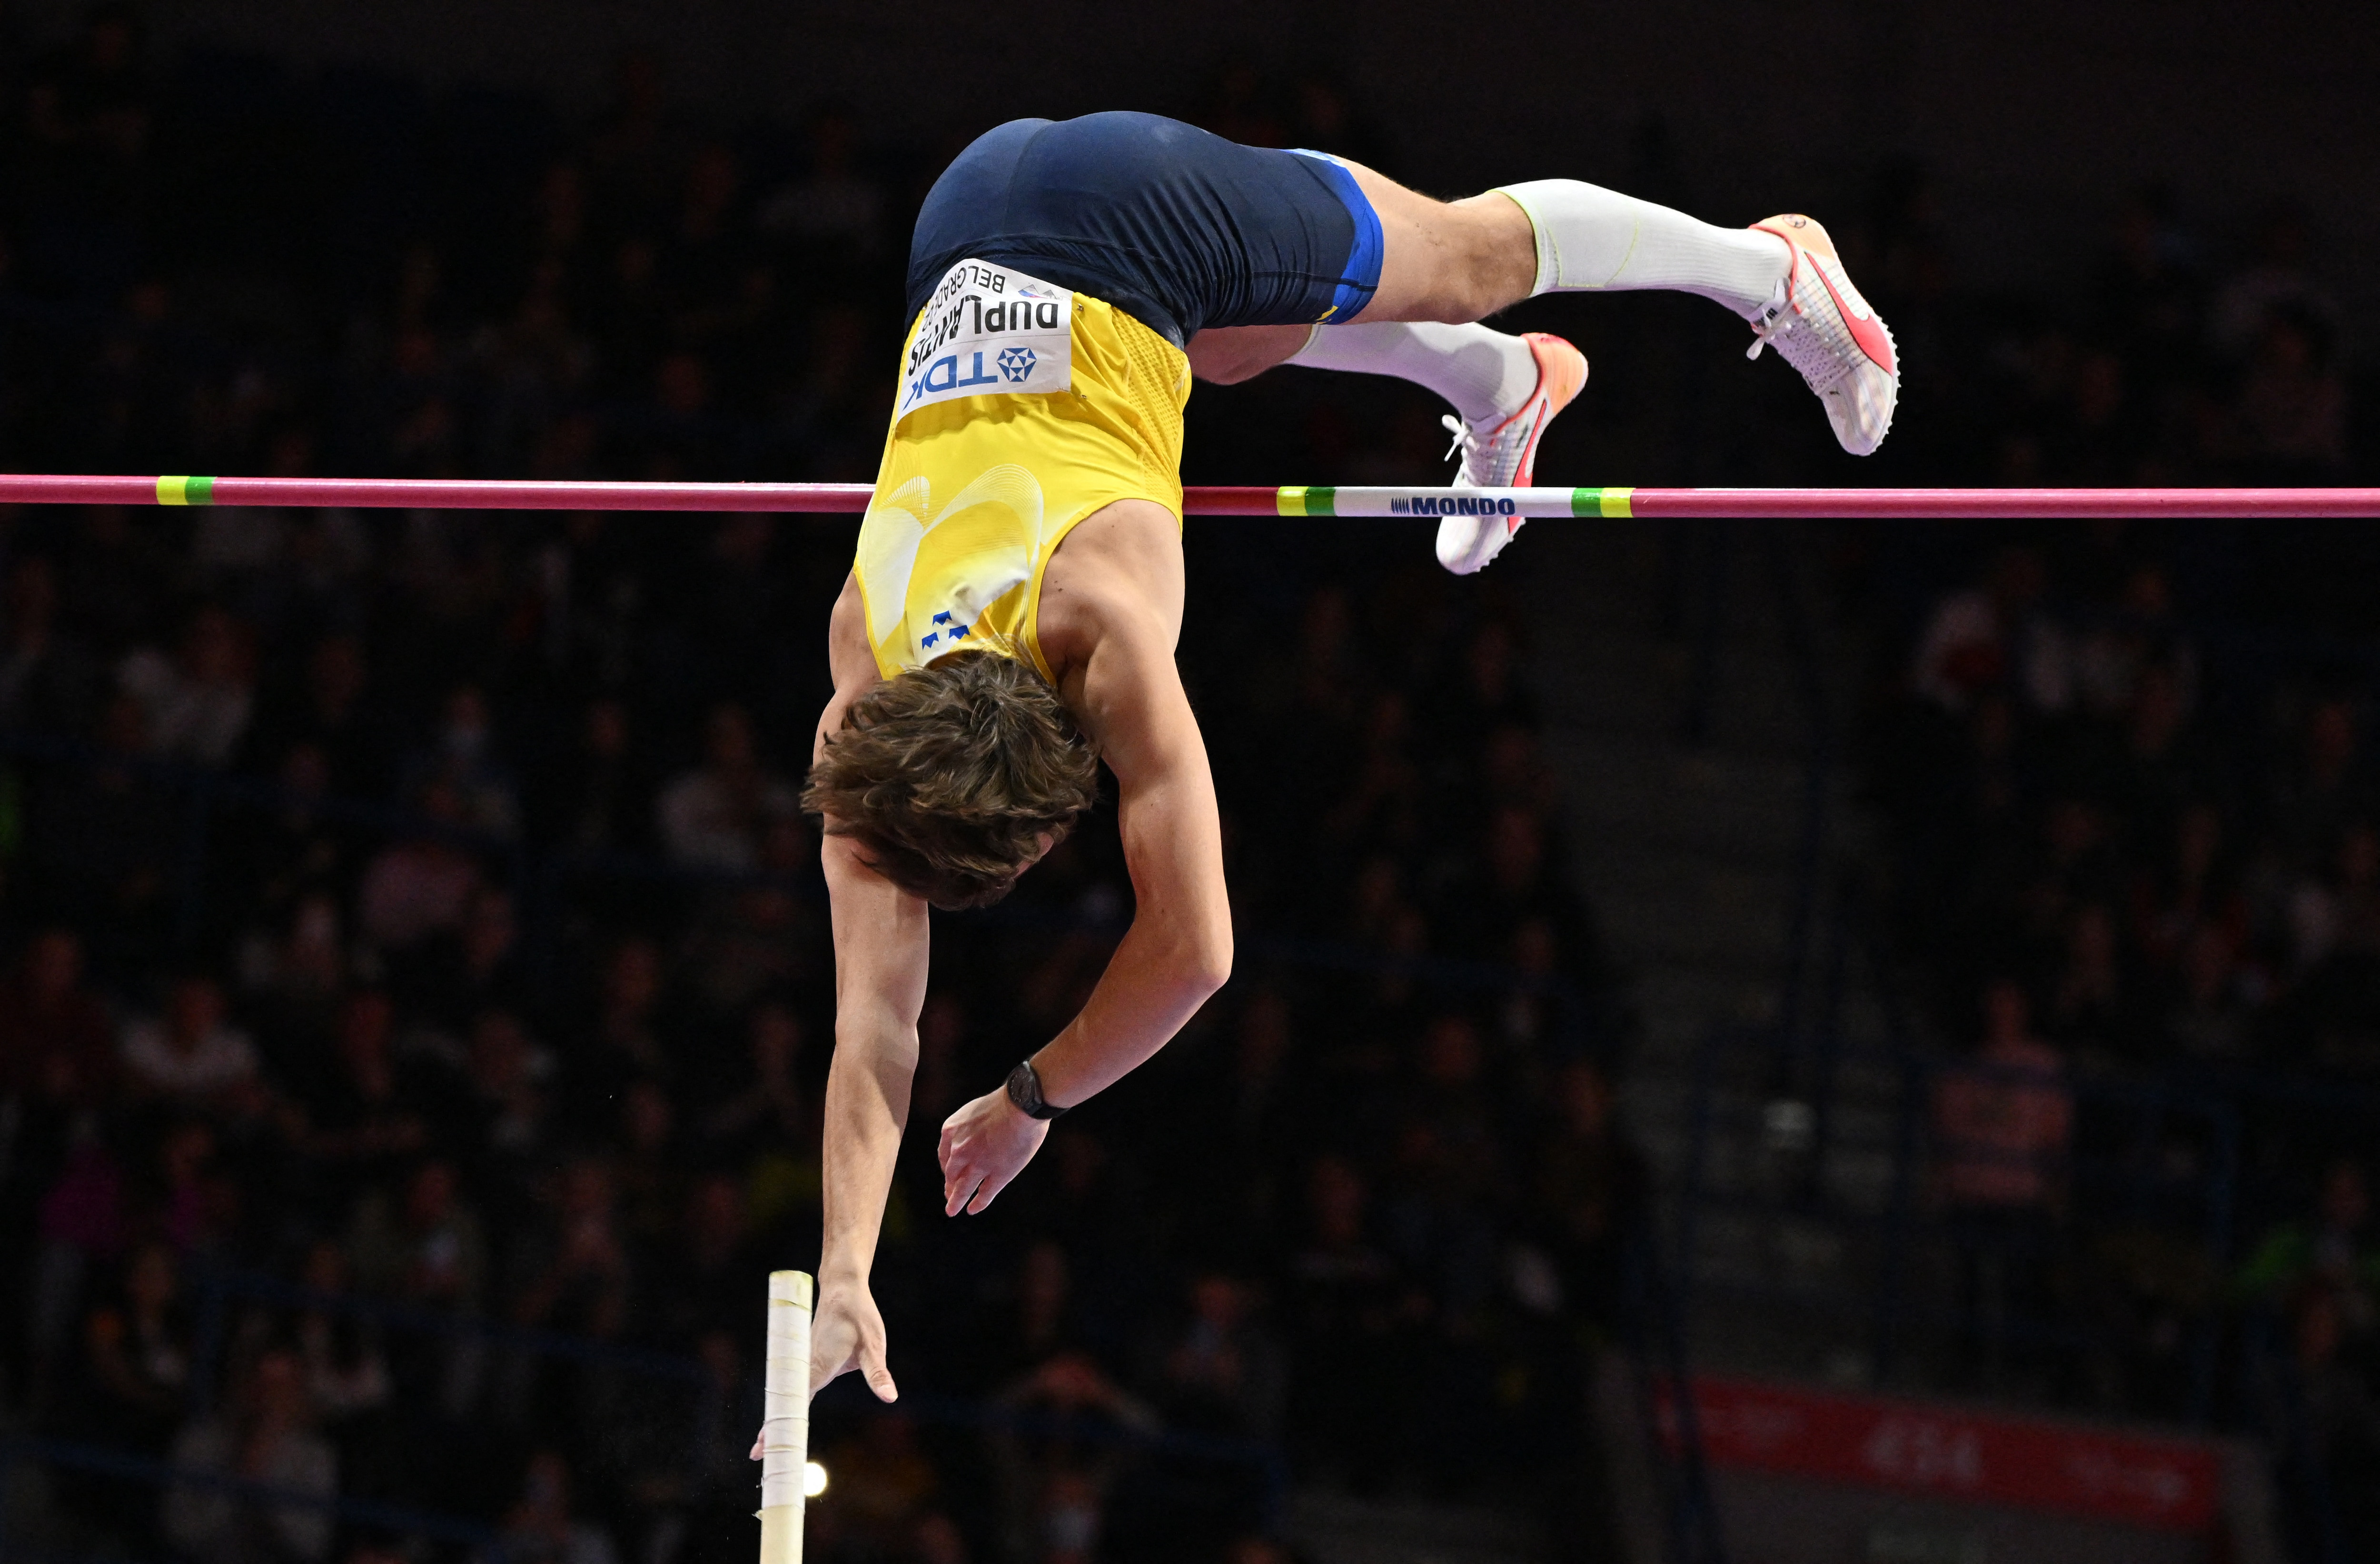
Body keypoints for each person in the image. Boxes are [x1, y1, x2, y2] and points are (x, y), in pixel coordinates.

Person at [801, 110, 1899, 1404]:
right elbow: (876, 1020)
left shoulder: (1106, 620)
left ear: (1053, 804)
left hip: (1141, 213)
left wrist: (1034, 1096)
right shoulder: (863, 679)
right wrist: (842, 1276)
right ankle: (1500, 388)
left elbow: (1196, 952)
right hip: (969, 209)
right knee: (1235, 339)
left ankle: (1770, 267)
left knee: (1468, 253)